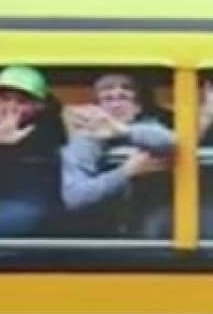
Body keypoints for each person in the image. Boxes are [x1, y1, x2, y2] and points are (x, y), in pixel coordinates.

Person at [59, 71, 175, 237]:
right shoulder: (85, 139)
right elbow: (75, 196)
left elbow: (171, 141)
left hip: (156, 216)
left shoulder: (150, 129)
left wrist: (124, 131)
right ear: (96, 108)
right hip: (100, 224)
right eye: (108, 99)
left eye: (123, 98)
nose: (116, 105)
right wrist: (125, 172)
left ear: (137, 107)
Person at [0, 65, 67, 236]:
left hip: (28, 207)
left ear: (39, 105)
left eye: (21, 101)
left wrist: (4, 146)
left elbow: (3, 182)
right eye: (5, 99)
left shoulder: (47, 134)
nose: (11, 107)